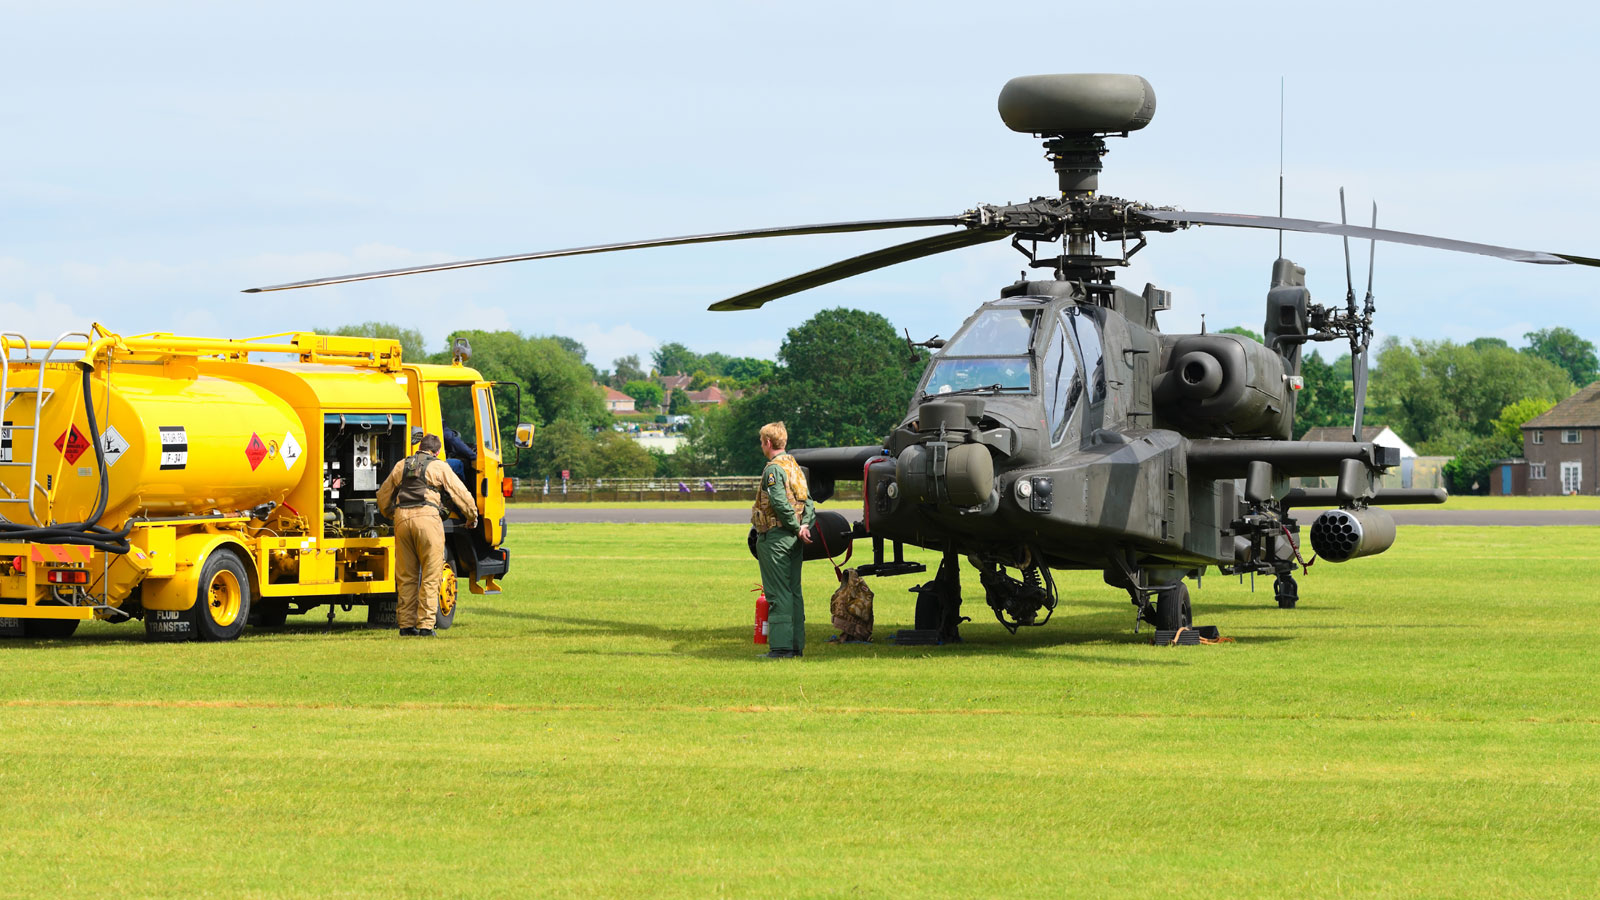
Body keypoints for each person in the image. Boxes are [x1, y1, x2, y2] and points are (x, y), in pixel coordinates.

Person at [376, 434, 478, 637]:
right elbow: (460, 494)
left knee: (406, 576)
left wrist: (391, 514)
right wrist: (471, 516)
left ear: (419, 448)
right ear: (437, 451)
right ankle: (425, 626)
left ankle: (406, 626)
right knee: (431, 574)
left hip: (402, 519)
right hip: (428, 519)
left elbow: (383, 495)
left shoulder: (401, 465)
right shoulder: (439, 467)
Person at [749, 422, 815, 659]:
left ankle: (781, 647)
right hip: (794, 539)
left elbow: (778, 502)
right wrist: (804, 526)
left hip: (776, 538)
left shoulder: (774, 470)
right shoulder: (794, 467)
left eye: (761, 441)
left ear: (768, 442)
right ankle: (796, 646)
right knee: (794, 591)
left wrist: (796, 527)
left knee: (778, 593)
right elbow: (808, 503)